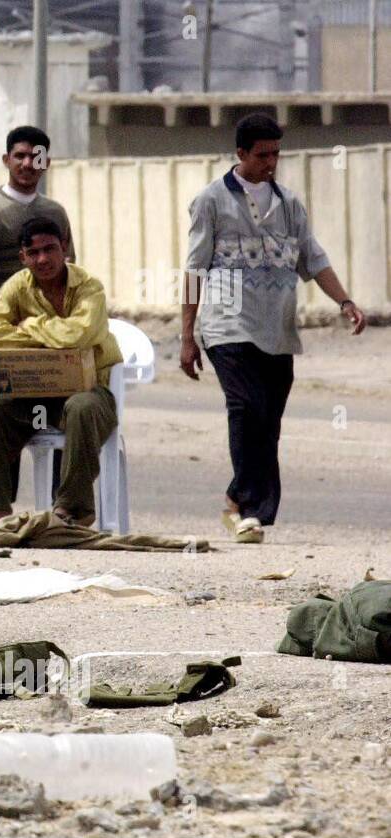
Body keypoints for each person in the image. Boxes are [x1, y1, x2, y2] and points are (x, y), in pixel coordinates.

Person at [181, 113, 366, 544]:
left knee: (269, 419)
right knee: (245, 408)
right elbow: (193, 270)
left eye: (276, 154)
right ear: (240, 154)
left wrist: (345, 301)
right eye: (262, 154)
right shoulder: (210, 201)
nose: (271, 162)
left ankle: (237, 499)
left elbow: (314, 259)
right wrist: (187, 336)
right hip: (226, 326)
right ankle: (251, 511)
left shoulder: (289, 204)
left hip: (277, 327)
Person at [0, 218, 121, 535]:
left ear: (65, 249)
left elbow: (79, 334)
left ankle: (72, 510)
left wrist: (28, 326)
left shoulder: (89, 286)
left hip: (90, 392)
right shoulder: (18, 285)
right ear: (23, 258)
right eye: (34, 252)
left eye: (50, 249)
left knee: (81, 408)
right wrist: (50, 336)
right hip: (37, 395)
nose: (43, 259)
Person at [0, 125, 75, 399]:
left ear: (45, 163)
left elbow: (69, 265)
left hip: (50, 330)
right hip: (2, 328)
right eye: (20, 156)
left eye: (35, 157)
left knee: (56, 417)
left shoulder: (55, 213)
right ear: (6, 160)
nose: (27, 164)